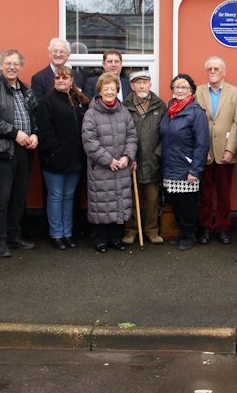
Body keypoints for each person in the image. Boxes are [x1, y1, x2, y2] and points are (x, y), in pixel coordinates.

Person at [0, 48, 39, 257]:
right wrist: (15, 133)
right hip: (2, 151)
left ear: (21, 67)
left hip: (24, 151)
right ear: (1, 66)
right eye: (8, 63)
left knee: (19, 197)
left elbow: (35, 118)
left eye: (16, 64)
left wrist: (34, 135)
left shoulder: (26, 90)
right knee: (1, 198)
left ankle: (14, 236)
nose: (12, 67)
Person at [82, 72, 138, 253]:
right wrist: (109, 160)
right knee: (101, 203)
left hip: (122, 166)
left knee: (120, 202)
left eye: (112, 89)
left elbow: (132, 137)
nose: (109, 92)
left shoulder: (124, 112)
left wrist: (127, 157)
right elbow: (89, 142)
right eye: (105, 89)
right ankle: (100, 240)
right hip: (101, 168)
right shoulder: (91, 114)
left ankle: (116, 239)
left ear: (117, 91)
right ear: (99, 91)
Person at [37, 66, 89, 250]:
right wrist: (54, 151)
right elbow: (45, 131)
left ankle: (68, 233)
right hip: (55, 160)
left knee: (69, 197)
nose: (61, 81)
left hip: (75, 159)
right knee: (56, 196)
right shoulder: (47, 102)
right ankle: (56, 234)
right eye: (58, 78)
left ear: (71, 80)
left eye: (64, 78)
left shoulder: (77, 100)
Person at [195, 56, 237, 245]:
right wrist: (202, 150)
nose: (213, 72)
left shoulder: (236, 92)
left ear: (224, 71)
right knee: (205, 195)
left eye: (216, 68)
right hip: (204, 152)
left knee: (224, 194)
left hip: (225, 152)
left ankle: (223, 228)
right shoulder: (198, 91)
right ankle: (206, 228)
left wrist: (231, 149)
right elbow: (196, 123)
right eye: (209, 69)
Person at [160, 74, 210, 251]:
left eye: (184, 87)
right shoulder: (170, 110)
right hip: (170, 165)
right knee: (175, 202)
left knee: (187, 204)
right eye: (176, 87)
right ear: (172, 90)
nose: (180, 90)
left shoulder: (196, 112)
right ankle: (182, 232)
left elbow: (202, 144)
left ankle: (190, 234)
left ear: (191, 91)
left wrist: (195, 170)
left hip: (186, 167)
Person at [123, 70, 166, 245]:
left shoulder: (159, 105)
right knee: (130, 198)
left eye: (145, 82)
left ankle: (151, 230)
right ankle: (130, 231)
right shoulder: (124, 106)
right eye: (137, 82)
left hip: (152, 159)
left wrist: (158, 154)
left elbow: (166, 133)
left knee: (152, 199)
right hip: (132, 159)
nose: (141, 86)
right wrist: (127, 155)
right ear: (132, 86)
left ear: (150, 84)